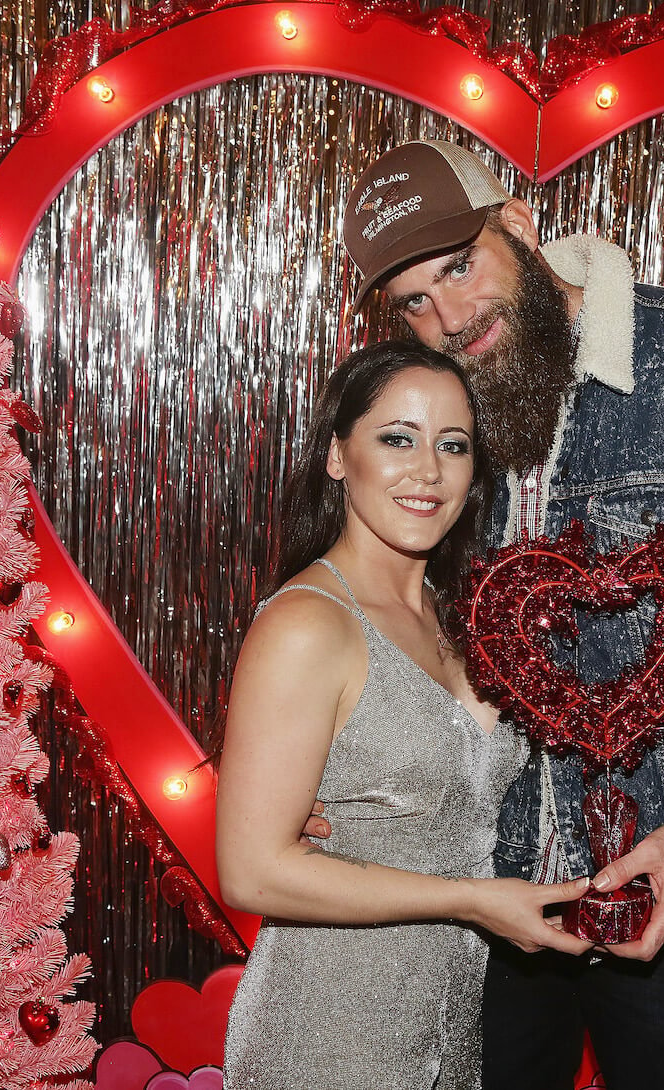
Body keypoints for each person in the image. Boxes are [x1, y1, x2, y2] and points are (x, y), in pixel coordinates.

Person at [325, 140, 664, 1090]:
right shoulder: (427, 402)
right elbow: (377, 601)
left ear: (519, 223)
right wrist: (325, 773)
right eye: (415, 299)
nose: (450, 319)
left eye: (460, 266)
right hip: (481, 897)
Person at [216, 340, 593, 1090]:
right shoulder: (307, 624)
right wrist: (470, 900)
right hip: (329, 1037)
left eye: (453, 446)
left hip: (449, 1037)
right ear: (337, 455)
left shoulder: (466, 617)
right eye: (397, 438)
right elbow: (251, 873)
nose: (428, 470)